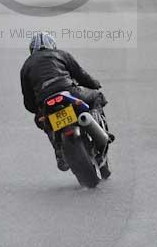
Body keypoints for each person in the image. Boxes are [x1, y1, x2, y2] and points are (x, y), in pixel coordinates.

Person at [20, 32, 110, 171]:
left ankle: (59, 152)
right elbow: (81, 75)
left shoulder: (26, 65)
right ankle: (99, 129)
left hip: (45, 101)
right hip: (69, 91)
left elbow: (28, 101)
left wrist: (37, 110)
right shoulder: (61, 54)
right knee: (97, 96)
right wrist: (94, 84)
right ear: (53, 45)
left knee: (42, 120)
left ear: (32, 49)